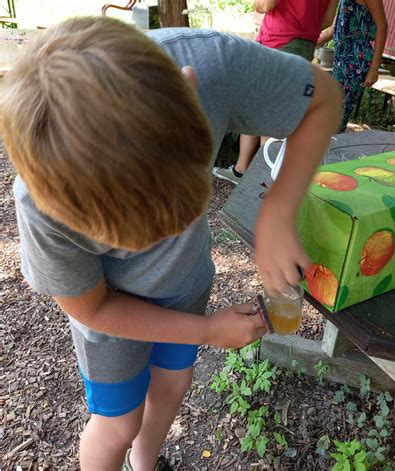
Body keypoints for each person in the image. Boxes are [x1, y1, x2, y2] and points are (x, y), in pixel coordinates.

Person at [0, 16, 340, 471]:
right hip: (111, 317)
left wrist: (278, 212)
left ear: (188, 87)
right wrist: (205, 332)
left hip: (185, 287)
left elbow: (325, 97)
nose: (165, 241)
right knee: (118, 424)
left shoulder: (211, 62)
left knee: (173, 386)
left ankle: (145, 465)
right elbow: (93, 309)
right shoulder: (39, 202)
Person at [212, 0, 337, 184]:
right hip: (304, 46)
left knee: (265, 113)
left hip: (277, 40)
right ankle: (242, 171)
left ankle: (262, 181)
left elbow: (265, 5)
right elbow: (326, 19)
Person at [317, 0, 387, 131]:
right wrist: (307, 43)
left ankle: (331, 147)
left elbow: (382, 27)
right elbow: (332, 30)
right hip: (341, 60)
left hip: (356, 62)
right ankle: (328, 147)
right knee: (332, 110)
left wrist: (374, 68)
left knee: (337, 113)